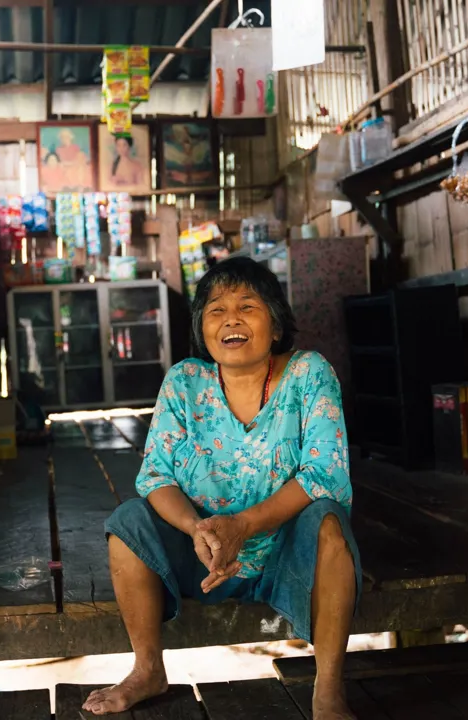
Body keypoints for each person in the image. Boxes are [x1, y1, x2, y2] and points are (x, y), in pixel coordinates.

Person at [83, 257, 360, 719]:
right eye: (216, 310)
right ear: (202, 329)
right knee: (128, 521)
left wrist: (243, 526)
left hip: (286, 556)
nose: (231, 318)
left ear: (275, 326)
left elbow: (324, 474)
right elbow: (156, 476)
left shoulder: (309, 374)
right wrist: (198, 529)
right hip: (203, 558)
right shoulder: (184, 382)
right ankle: (148, 668)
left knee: (328, 519)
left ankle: (327, 690)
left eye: (247, 306)